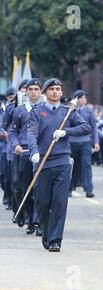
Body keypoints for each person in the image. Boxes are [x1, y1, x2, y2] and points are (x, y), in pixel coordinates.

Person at [28, 78, 90, 252]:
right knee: (42, 203)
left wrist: (65, 132)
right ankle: (47, 233)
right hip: (42, 163)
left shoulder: (68, 111)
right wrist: (33, 151)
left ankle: (55, 240)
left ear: (61, 93)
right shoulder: (37, 112)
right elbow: (32, 133)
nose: (55, 92)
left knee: (59, 202)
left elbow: (85, 127)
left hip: (62, 161)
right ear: (45, 92)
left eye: (58, 89)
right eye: (52, 89)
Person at [9, 78, 43, 235]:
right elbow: (13, 131)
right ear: (26, 92)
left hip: (42, 153)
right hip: (24, 152)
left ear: (41, 91)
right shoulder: (20, 110)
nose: (34, 92)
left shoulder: (45, 109)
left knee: (40, 188)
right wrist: (15, 144)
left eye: (37, 89)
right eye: (31, 89)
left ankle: (38, 220)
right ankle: (29, 217)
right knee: (25, 188)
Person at [69, 90, 99, 198]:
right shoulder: (70, 110)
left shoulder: (89, 111)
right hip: (72, 142)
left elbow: (94, 127)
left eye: (85, 97)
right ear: (76, 99)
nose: (84, 99)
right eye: (82, 97)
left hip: (85, 141)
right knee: (72, 166)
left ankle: (88, 189)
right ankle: (69, 188)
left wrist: (96, 141)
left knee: (86, 165)